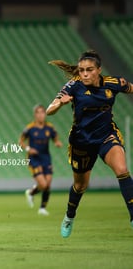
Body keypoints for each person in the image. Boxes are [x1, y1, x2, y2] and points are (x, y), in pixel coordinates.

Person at [46, 50, 133, 238]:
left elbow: (131, 88)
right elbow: (49, 110)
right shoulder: (73, 86)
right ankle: (69, 217)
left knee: (122, 170)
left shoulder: (114, 83)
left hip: (106, 136)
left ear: (98, 70)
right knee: (80, 185)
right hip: (82, 141)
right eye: (82, 70)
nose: (84, 74)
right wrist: (60, 103)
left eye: (89, 70)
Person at [19, 104, 62, 216]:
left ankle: (42, 207)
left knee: (47, 185)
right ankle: (31, 192)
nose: (41, 115)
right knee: (43, 184)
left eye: (42, 112)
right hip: (33, 159)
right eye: (38, 112)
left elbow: (55, 137)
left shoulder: (50, 128)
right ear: (35, 115)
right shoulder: (30, 128)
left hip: (46, 158)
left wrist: (57, 142)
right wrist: (29, 148)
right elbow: (21, 141)